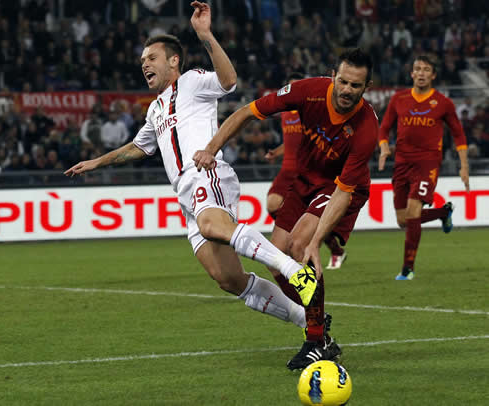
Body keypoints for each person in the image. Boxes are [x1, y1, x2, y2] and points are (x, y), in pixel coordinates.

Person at [66, 1, 322, 348]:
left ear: (173, 61)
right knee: (228, 279)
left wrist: (205, 35)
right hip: (185, 195)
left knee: (211, 226)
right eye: (142, 60)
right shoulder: (155, 109)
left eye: (151, 58)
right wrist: (96, 163)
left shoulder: (191, 82)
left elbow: (229, 81)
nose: (145, 64)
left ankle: (294, 272)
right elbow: (138, 148)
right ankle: (307, 323)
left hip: (206, 173)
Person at [193, 48, 379, 370]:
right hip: (304, 180)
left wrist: (316, 242)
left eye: (356, 86)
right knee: (275, 255)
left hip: (338, 190)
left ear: (368, 87)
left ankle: (315, 339)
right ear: (333, 75)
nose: (348, 90)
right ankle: (315, 321)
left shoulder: (365, 126)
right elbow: (246, 112)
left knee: (300, 246)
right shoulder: (308, 91)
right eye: (344, 82)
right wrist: (211, 149)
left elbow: (344, 193)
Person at [378, 55, 469, 281]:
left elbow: (459, 135)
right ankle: (443, 212)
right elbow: (384, 128)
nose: (421, 73)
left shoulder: (443, 103)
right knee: (403, 220)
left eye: (426, 69)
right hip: (402, 164)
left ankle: (408, 268)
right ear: (411, 74)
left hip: (427, 164)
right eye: (417, 69)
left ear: (433, 75)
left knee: (413, 211)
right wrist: (383, 148)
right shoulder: (398, 99)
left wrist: (464, 166)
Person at [265, 73, 348, 270]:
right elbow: (290, 140)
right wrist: (276, 152)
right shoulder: (285, 112)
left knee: (306, 219)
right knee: (272, 204)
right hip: (287, 168)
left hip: (306, 169)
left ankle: (332, 249)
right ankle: (328, 246)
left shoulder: (312, 110)